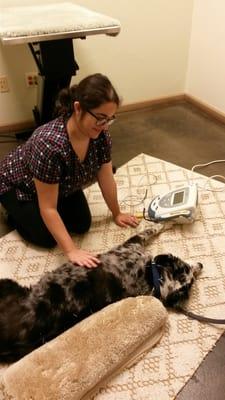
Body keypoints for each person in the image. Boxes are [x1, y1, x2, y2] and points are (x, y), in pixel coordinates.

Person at [0, 73, 139, 268]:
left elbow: (106, 177)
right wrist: (71, 250)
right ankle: (11, 212)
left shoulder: (101, 136)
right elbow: (48, 207)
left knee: (82, 224)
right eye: (100, 118)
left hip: (59, 183)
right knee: (47, 238)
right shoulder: (49, 144)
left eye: (109, 119)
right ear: (78, 108)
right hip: (18, 185)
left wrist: (117, 213)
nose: (104, 125)